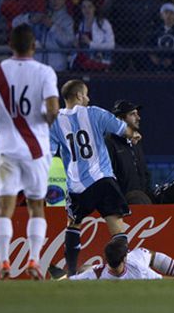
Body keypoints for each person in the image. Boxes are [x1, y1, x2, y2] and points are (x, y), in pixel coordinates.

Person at [0, 24, 60, 280]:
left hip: (7, 148)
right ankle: (34, 260)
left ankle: (3, 263)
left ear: (10, 45)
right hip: (36, 149)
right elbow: (53, 110)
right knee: (36, 207)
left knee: (4, 208)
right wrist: (43, 124)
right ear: (34, 46)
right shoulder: (45, 72)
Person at [49, 79, 141, 276]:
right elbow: (124, 130)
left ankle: (72, 272)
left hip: (76, 186)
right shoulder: (94, 113)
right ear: (79, 96)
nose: (88, 98)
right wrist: (134, 135)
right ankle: (125, 270)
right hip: (103, 180)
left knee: (73, 225)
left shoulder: (54, 121)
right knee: (116, 226)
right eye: (86, 94)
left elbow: (48, 151)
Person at [48, 237, 174, 280]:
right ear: (125, 258)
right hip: (138, 266)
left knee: (86, 268)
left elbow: (68, 282)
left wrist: (57, 274)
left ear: (105, 259)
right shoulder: (138, 268)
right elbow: (163, 280)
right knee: (151, 255)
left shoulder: (96, 273)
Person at [105, 100, 153, 204]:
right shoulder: (109, 143)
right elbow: (107, 179)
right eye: (132, 114)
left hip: (142, 206)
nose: (138, 118)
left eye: (137, 114)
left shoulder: (136, 142)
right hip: (121, 209)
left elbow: (145, 174)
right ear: (120, 119)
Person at [11, 0, 74, 71]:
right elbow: (15, 23)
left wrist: (52, 26)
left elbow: (68, 42)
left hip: (56, 66)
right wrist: (29, 19)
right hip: (37, 64)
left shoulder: (67, 20)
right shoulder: (40, 13)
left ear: (64, 1)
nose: (56, 2)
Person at [69, 0, 115, 71]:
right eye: (84, 7)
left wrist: (90, 43)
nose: (87, 10)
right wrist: (75, 44)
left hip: (99, 59)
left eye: (90, 7)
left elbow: (111, 45)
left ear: (94, 8)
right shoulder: (80, 24)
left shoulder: (103, 23)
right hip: (82, 60)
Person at [146, 2, 174, 72]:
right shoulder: (156, 31)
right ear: (161, 16)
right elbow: (148, 45)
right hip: (157, 66)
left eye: (172, 13)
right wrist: (153, 57)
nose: (168, 16)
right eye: (166, 13)